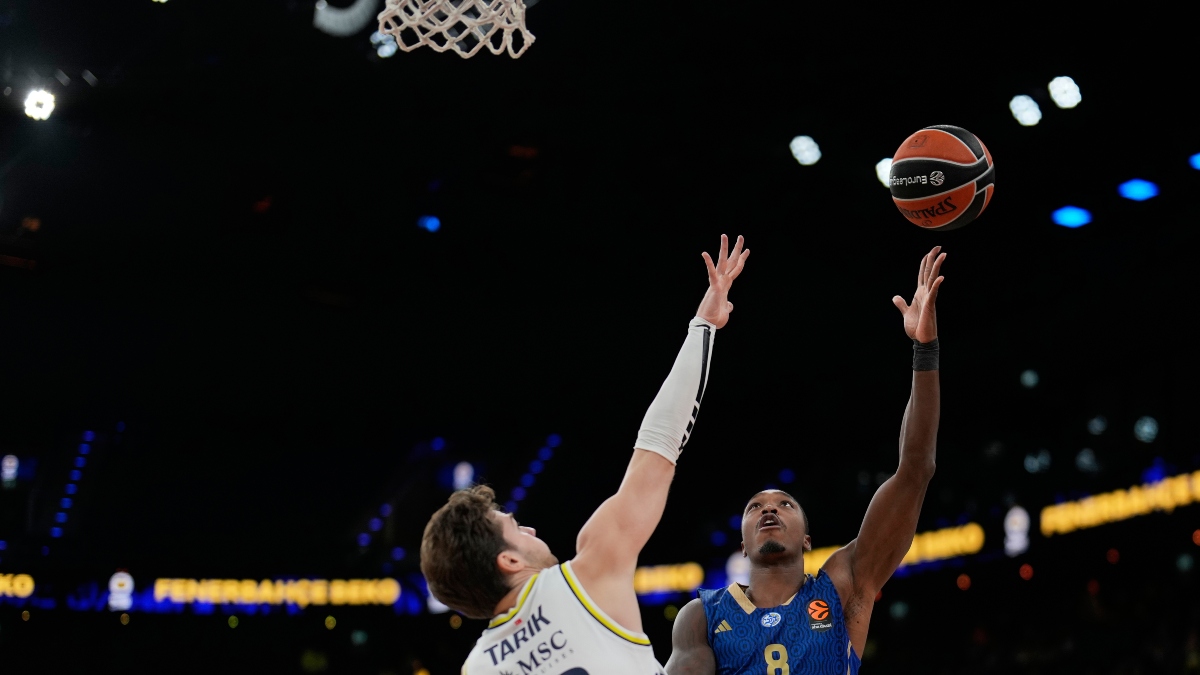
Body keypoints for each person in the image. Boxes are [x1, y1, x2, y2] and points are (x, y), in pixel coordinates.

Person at [421, 235, 751, 675]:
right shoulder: (588, 573)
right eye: (516, 528)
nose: (530, 528)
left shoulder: (477, 668)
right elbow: (659, 444)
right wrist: (703, 326)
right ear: (510, 561)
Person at [666, 246, 947, 675]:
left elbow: (915, 470)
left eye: (785, 504)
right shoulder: (701, 615)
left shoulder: (843, 585)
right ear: (742, 544)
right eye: (755, 507)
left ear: (807, 540)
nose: (770, 510)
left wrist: (925, 350)